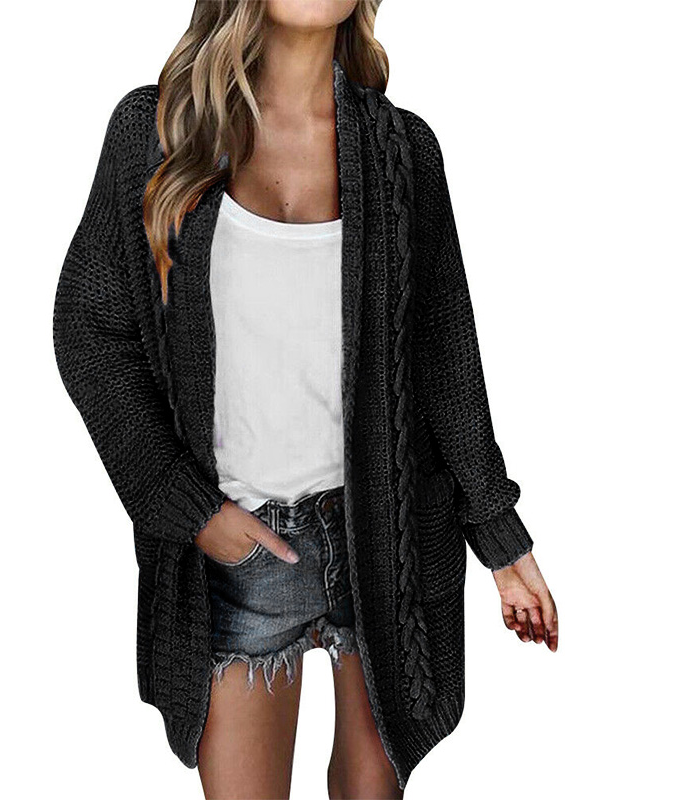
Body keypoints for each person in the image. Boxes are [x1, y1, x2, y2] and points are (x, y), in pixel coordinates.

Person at [53, 1, 559, 797]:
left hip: (383, 540)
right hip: (241, 551)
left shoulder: (402, 152)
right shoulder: (158, 132)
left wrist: (503, 543)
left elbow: (446, 363)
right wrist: (190, 511)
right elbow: (90, 331)